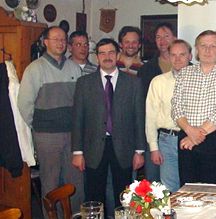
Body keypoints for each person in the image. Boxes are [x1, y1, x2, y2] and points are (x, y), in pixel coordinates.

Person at [71, 38, 146, 215]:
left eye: (111, 52)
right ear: (97, 57)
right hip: (93, 147)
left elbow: (139, 118)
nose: (107, 56)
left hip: (124, 147)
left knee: (124, 196)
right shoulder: (84, 83)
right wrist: (77, 152)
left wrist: (140, 151)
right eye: (102, 53)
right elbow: (78, 119)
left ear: (117, 55)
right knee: (94, 195)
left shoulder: (133, 83)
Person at [17, 26, 84, 217]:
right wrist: (39, 125)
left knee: (75, 181)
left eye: (63, 40)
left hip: (72, 135)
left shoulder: (73, 67)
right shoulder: (35, 68)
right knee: (51, 181)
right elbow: (24, 104)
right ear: (45, 42)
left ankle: (75, 215)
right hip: (47, 136)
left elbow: (80, 101)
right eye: (56, 39)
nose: (61, 43)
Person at [172, 30, 216, 186]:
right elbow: (176, 106)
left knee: (211, 192)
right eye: (203, 46)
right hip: (186, 138)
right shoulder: (184, 73)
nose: (208, 50)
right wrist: (190, 131)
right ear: (196, 49)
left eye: (213, 46)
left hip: (214, 140)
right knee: (187, 191)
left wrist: (196, 136)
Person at [145, 39, 192, 192]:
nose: (177, 59)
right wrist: (154, 147)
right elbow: (150, 116)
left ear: (190, 56)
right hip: (167, 141)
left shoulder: (201, 80)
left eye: (182, 55)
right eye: (173, 55)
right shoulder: (158, 82)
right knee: (170, 189)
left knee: (191, 188)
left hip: (192, 139)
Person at [138, 22, 177, 96]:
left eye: (166, 36)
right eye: (158, 37)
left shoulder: (187, 67)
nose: (162, 41)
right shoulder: (145, 69)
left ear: (175, 38)